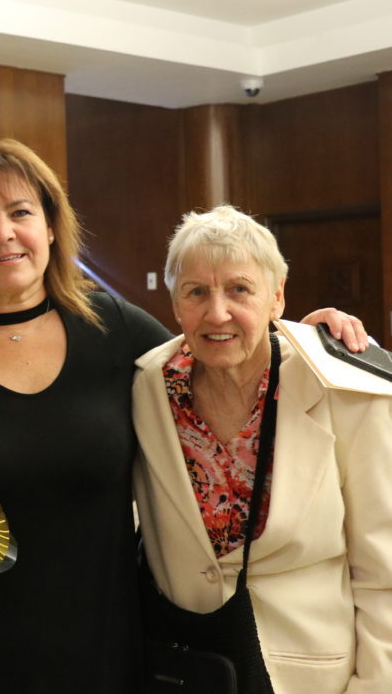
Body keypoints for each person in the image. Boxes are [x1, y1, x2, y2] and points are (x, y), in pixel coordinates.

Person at [0, 138, 367, 692]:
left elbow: (219, 353)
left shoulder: (112, 327)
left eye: (20, 213)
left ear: (52, 226)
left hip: (95, 650)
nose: (3, 233)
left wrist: (302, 337)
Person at [132, 205, 392, 693]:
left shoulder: (343, 388)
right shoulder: (146, 385)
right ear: (175, 305)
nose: (217, 312)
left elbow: (385, 573)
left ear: (277, 298)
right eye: (196, 292)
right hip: (188, 668)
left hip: (314, 676)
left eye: (239, 289)